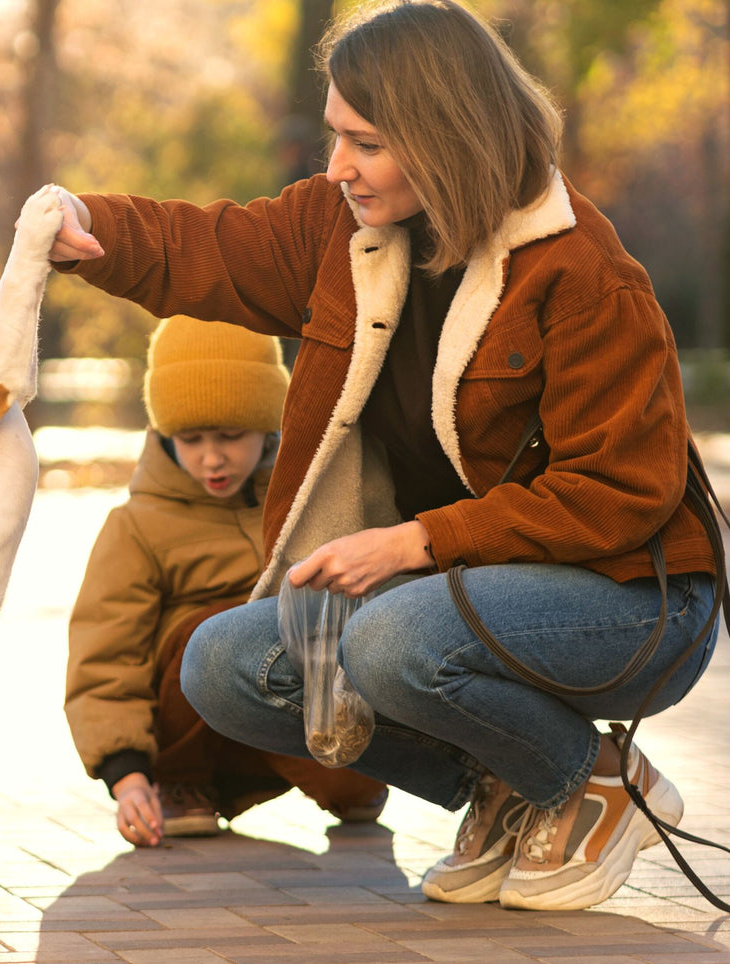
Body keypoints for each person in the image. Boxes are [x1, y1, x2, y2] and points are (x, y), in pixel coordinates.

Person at [44, 0, 721, 911]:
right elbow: (210, 247)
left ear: (446, 137)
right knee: (227, 665)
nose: (337, 167)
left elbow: (616, 493)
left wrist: (417, 543)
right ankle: (508, 788)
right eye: (336, 136)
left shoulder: (584, 276)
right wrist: (87, 223)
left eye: (365, 143)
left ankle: (592, 782)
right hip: (464, 584)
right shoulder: (340, 230)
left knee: (388, 639)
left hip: (634, 601)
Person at [65, 316, 389, 847]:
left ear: (269, 425)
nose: (212, 457)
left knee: (353, 789)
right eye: (190, 439)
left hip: (280, 705)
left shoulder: (307, 498)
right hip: (187, 727)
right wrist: (127, 776)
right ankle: (183, 784)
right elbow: (105, 657)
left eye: (232, 436)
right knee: (213, 629)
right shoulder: (136, 526)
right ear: (165, 435)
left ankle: (344, 773)